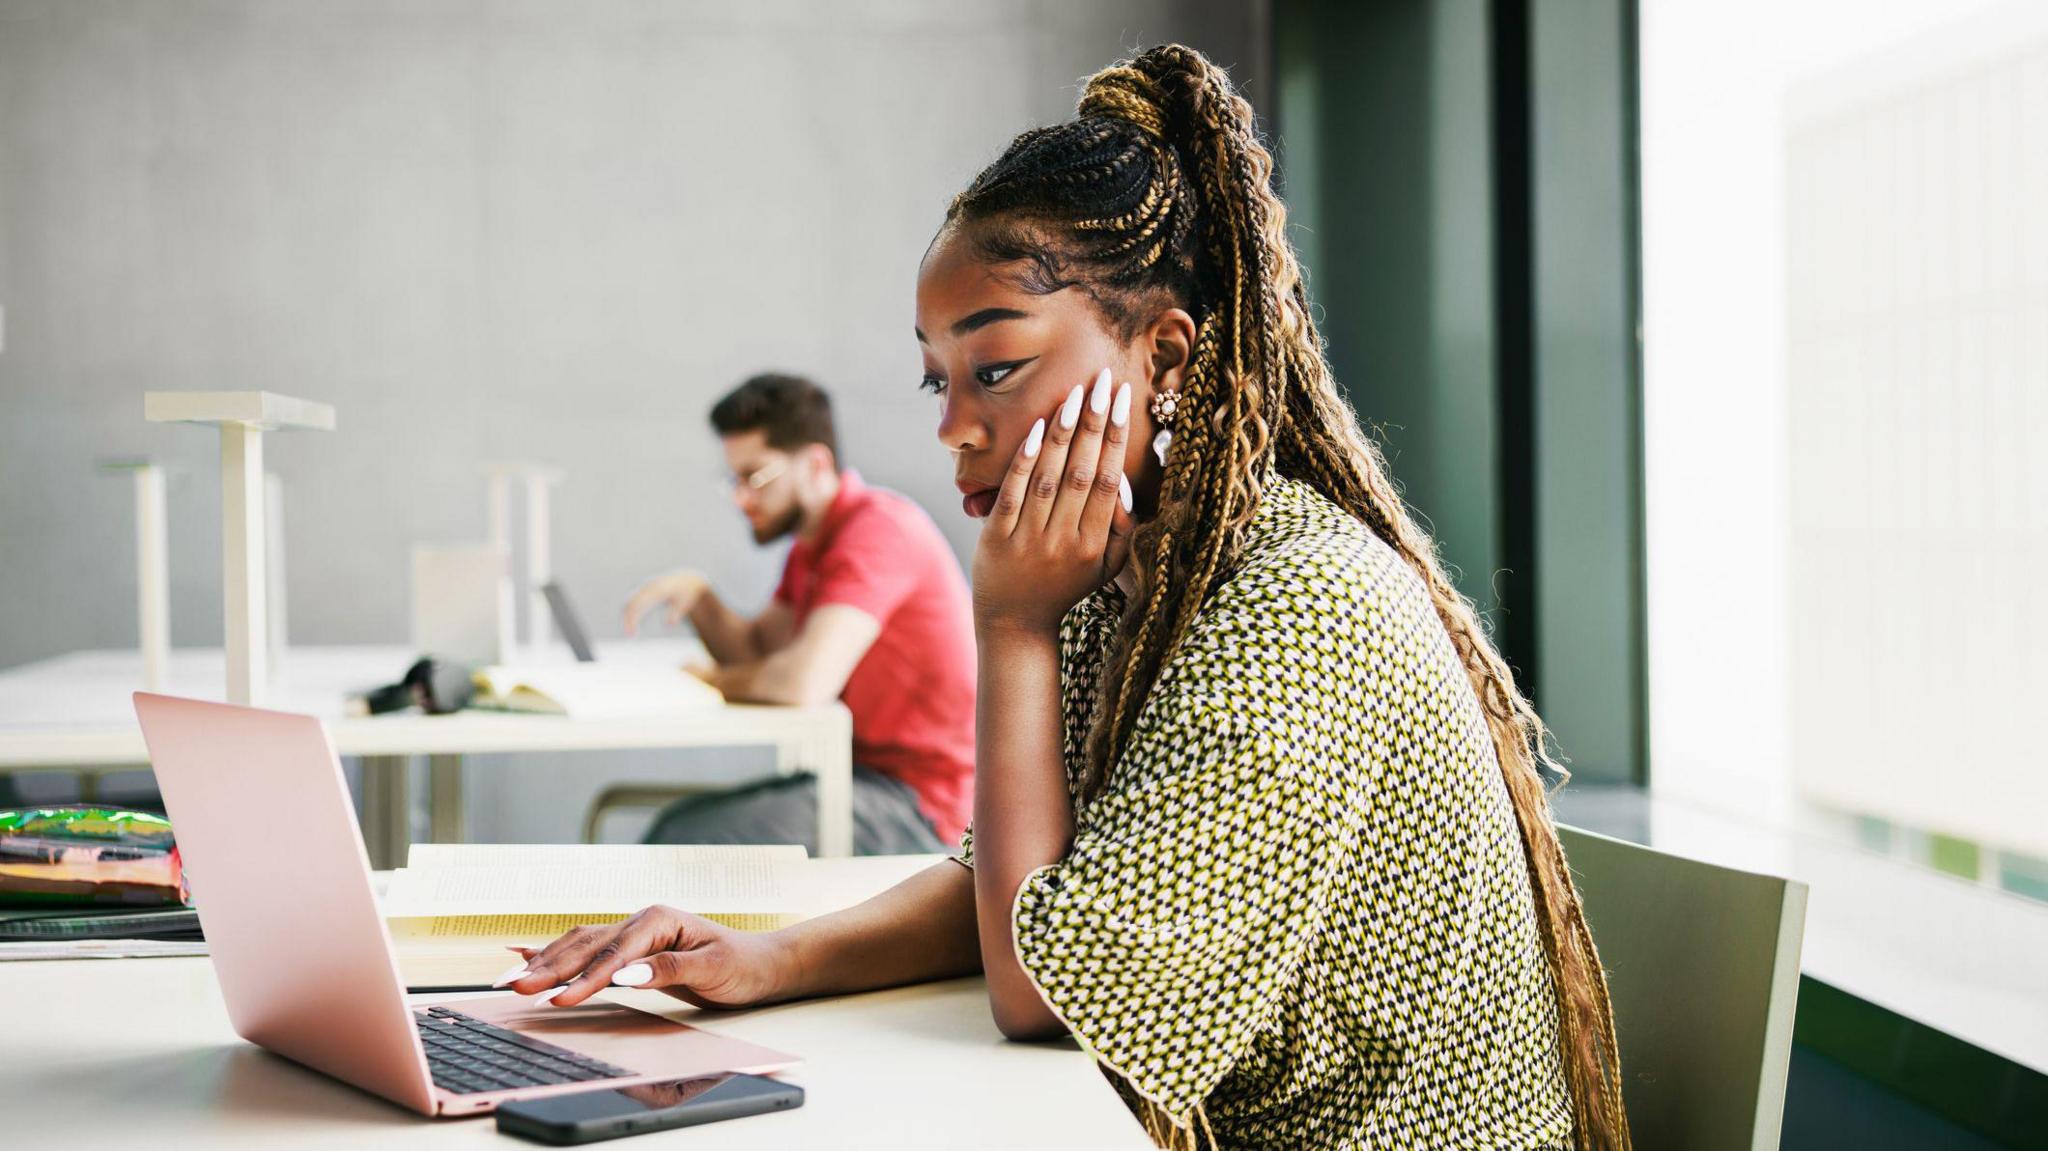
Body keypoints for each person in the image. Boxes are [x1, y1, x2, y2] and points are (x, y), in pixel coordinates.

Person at [509, 47, 1631, 1150]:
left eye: (994, 368)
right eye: (934, 378)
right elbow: (1024, 889)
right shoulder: (1135, 572)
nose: (952, 423)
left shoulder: (1300, 606)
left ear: (1166, 356)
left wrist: (1009, 626)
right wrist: (766, 955)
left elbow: (1046, 993)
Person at [624, 373, 975, 855]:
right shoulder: (812, 545)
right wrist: (701, 600)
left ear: (815, 463)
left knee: (684, 838)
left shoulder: (878, 532)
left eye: (755, 477)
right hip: (859, 777)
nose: (741, 498)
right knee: (680, 825)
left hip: (925, 805)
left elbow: (800, 683)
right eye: (735, 480)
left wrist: (709, 680)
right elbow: (759, 653)